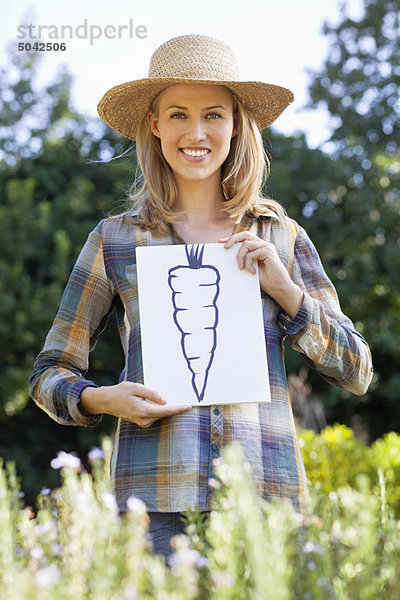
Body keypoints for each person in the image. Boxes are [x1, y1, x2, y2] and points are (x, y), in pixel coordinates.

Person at [29, 33, 373, 560]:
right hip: (155, 507)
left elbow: (357, 370)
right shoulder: (114, 240)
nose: (196, 133)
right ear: (154, 124)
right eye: (178, 115)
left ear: (237, 125)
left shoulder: (281, 237)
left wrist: (285, 291)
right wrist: (102, 398)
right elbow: (49, 373)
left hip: (265, 502)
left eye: (213, 114)